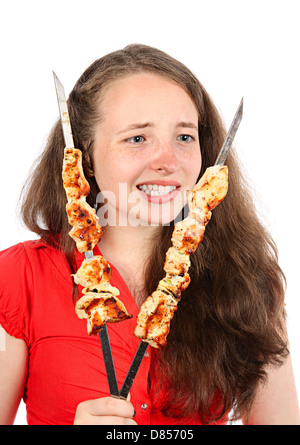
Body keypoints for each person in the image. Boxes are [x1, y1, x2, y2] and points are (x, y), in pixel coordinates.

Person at [0, 44, 299, 426]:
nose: (167, 161)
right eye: (137, 138)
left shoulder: (250, 282)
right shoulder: (18, 279)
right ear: (84, 155)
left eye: (185, 137)